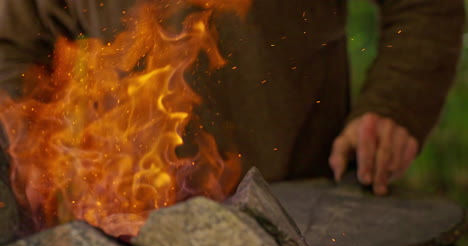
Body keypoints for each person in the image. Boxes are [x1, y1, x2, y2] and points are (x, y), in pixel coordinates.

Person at [0, 0, 465, 198]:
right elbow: (13, 43)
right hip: (126, 216)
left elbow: (424, 4)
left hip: (301, 204)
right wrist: (34, 156)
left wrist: (397, 102)